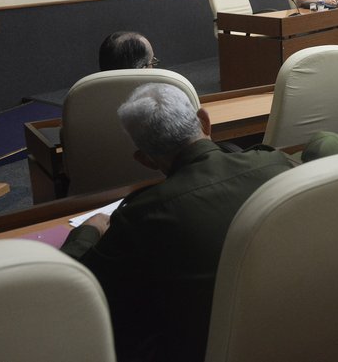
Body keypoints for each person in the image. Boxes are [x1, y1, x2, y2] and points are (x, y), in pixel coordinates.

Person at [60, 83, 295, 362]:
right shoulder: (275, 165)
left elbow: (72, 290)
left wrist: (89, 230)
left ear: (145, 160)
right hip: (289, 328)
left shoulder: (142, 216)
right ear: (205, 121)